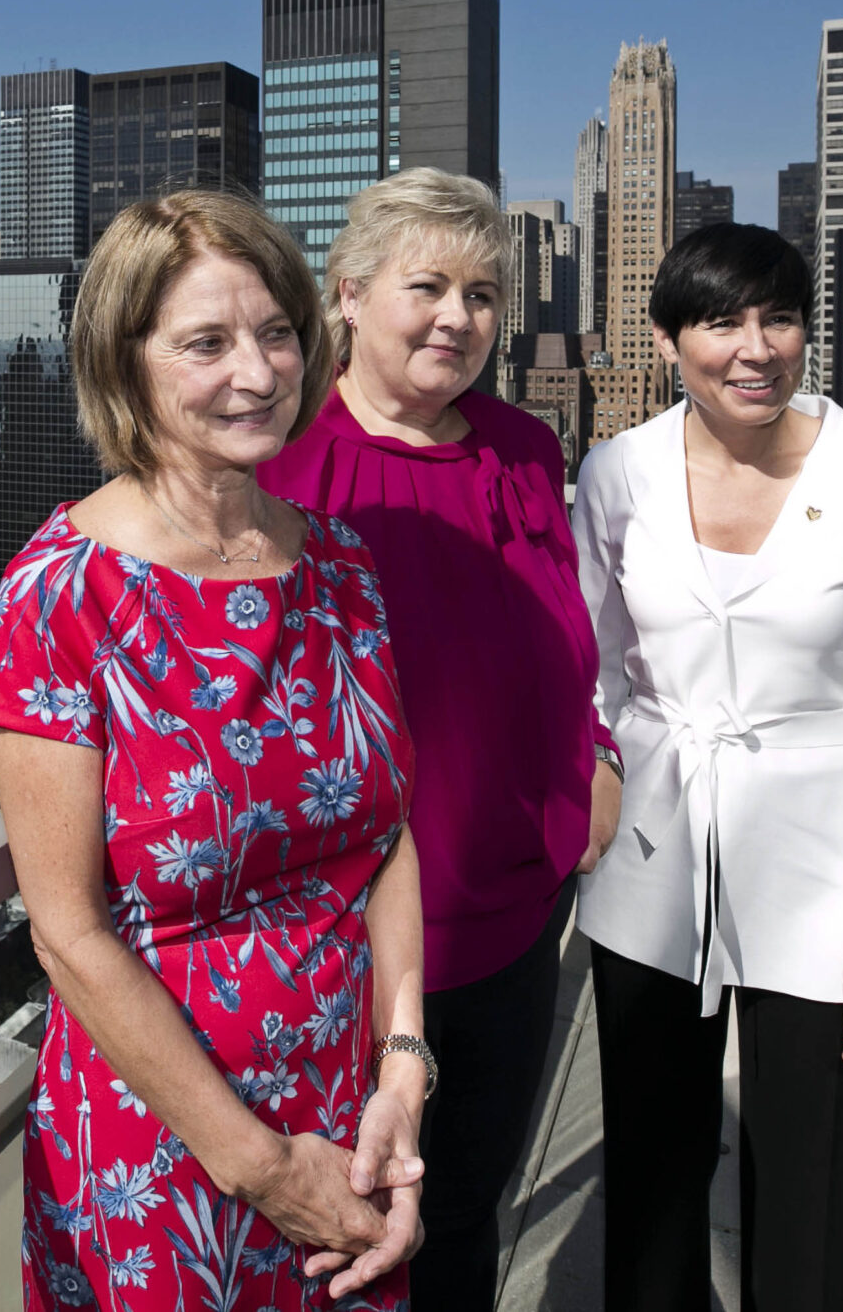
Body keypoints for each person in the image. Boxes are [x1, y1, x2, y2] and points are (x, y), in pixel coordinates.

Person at [0, 190, 432, 1312]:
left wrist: (404, 1068)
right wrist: (262, 1167)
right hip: (164, 1146)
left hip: (351, 1115)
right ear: (126, 366)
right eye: (206, 344)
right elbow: (67, 934)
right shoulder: (57, 598)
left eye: (274, 333)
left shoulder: (343, 569)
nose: (257, 375)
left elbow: (385, 840)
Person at [260, 168, 619, 1310]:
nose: (458, 318)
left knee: (465, 1210)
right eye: (428, 286)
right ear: (350, 296)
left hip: (520, 905)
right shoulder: (283, 462)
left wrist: (597, 757)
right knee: (350, 1229)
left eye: (481, 293)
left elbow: (565, 625)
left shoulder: (521, 444)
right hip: (359, 938)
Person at [573, 222, 843, 1312]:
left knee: (811, 1178)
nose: (754, 347)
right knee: (649, 1165)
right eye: (719, 320)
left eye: (778, 318)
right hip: (647, 857)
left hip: (818, 873)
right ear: (665, 340)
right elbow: (589, 670)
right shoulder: (615, 471)